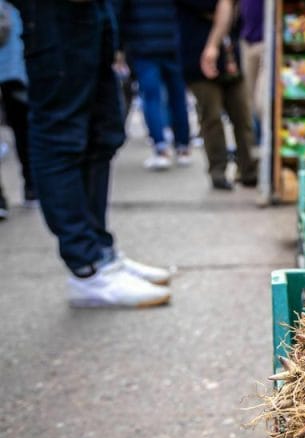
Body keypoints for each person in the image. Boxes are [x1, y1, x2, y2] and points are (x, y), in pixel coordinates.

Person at [14, 0, 171, 307]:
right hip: (54, 14)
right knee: (62, 133)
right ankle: (86, 268)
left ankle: (101, 253)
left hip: (92, 9)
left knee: (102, 133)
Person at [176, 0, 258, 191]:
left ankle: (248, 170)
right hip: (197, 55)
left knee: (243, 116)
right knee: (211, 117)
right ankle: (218, 171)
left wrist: (227, 13)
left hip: (230, 57)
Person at [118, 0, 193, 171]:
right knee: (177, 96)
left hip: (143, 44)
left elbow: (120, 11)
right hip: (170, 41)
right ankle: (183, 147)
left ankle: (161, 148)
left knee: (151, 98)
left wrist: (120, 46)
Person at [0, 0, 33, 218]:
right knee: (23, 128)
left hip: (14, 68)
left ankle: (32, 186)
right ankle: (32, 187)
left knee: (23, 128)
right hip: (15, 68)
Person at [239, 0, 264, 141]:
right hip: (247, 41)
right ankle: (255, 139)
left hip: (267, 43)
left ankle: (263, 138)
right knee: (248, 99)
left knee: (262, 101)